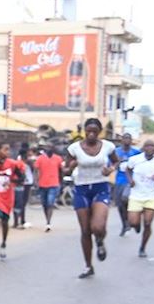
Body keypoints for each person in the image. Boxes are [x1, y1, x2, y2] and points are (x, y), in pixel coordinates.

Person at [65, 118, 117, 279]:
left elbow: (116, 161)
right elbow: (66, 170)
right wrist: (70, 167)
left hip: (100, 187)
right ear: (85, 131)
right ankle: (88, 266)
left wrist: (110, 169)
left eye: (95, 131)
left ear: (99, 132)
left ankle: (100, 241)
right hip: (81, 189)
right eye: (89, 130)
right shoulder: (74, 148)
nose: (92, 134)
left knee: (97, 227)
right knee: (85, 230)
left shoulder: (108, 146)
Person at [124, 139, 154, 258]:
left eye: (152, 146)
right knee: (133, 222)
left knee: (148, 223)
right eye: (147, 146)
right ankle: (136, 225)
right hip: (136, 195)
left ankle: (142, 247)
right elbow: (127, 170)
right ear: (143, 148)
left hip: (152, 196)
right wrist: (130, 181)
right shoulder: (135, 159)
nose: (149, 148)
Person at [34, 144, 64, 230]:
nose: (49, 149)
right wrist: (36, 181)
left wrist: (61, 181)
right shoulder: (40, 158)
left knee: (50, 202)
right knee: (44, 203)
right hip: (42, 184)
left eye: (51, 147)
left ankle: (48, 222)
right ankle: (47, 218)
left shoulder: (58, 158)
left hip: (54, 184)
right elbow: (36, 170)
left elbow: (61, 170)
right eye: (47, 147)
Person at [112, 134, 136, 235]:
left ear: (131, 140)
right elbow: (111, 164)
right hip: (119, 180)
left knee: (125, 199)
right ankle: (124, 224)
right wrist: (117, 162)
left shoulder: (136, 152)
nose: (127, 140)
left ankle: (130, 221)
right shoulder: (116, 152)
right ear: (121, 140)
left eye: (129, 139)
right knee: (120, 205)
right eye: (125, 138)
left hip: (130, 180)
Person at [14, 143, 35, 228]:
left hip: (27, 182)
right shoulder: (22, 161)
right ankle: (21, 220)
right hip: (24, 183)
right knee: (21, 202)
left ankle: (19, 220)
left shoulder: (27, 160)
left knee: (21, 202)